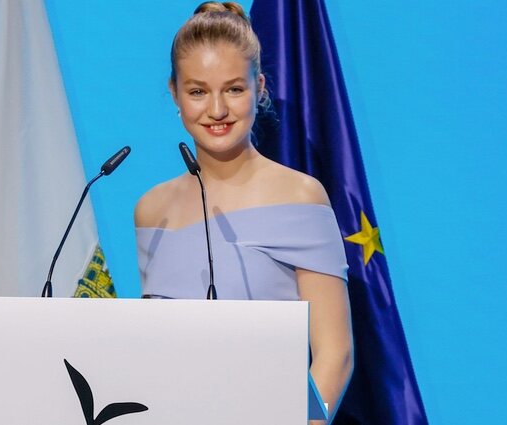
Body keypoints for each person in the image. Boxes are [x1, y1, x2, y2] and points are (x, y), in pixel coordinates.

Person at [135, 2, 353, 422]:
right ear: (175, 93)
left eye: (234, 88)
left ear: (260, 87)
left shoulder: (301, 195)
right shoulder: (150, 209)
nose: (217, 109)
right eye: (198, 91)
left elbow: (335, 353)